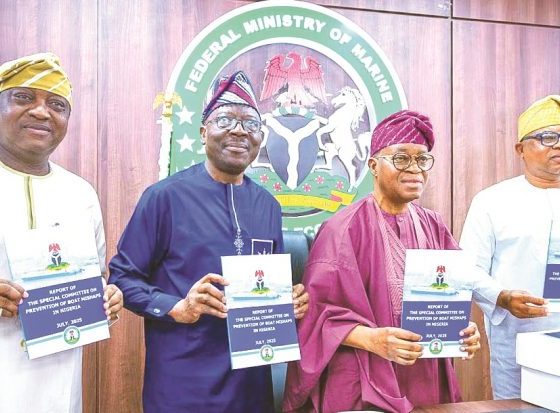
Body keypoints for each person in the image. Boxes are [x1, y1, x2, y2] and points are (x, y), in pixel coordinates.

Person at [108, 71, 309, 413]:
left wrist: (287, 304)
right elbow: (123, 279)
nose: (239, 131)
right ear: (203, 132)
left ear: (261, 137)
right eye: (225, 120)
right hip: (182, 383)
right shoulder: (164, 197)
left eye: (251, 124)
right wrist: (178, 307)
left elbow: (266, 291)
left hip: (251, 388)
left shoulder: (268, 206)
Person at [283, 110, 481, 413]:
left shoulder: (434, 225)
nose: (414, 168)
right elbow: (316, 316)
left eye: (422, 159)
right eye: (401, 158)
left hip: (425, 377)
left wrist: (462, 329)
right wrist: (373, 339)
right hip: (363, 380)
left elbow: (452, 298)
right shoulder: (343, 229)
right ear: (374, 166)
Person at [0, 52, 123, 412]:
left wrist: (107, 298)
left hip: (58, 388)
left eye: (57, 105)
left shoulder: (81, 194)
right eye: (24, 97)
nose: (42, 112)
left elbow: (96, 278)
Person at [460, 95, 560, 399]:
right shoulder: (492, 201)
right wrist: (501, 297)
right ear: (520, 149)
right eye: (548, 137)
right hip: (517, 336)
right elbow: (468, 269)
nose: (558, 146)